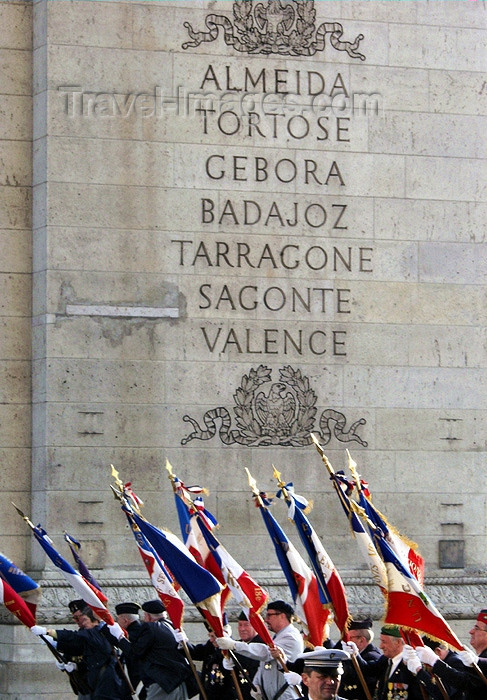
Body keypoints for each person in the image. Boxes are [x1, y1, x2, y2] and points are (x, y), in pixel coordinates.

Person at [31, 606, 127, 699]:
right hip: (97, 683)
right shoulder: (91, 634)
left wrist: (49, 632)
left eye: (85, 619)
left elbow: (74, 637)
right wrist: (56, 644)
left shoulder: (97, 632)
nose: (82, 623)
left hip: (107, 685)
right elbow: (76, 647)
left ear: (95, 620)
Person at [107, 600, 195, 700]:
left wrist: (120, 637)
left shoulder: (151, 628)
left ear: (148, 616)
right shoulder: (172, 625)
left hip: (163, 684)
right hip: (177, 681)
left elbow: (135, 653)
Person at [216, 599, 304, 700]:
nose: (266, 620)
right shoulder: (278, 636)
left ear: (282, 616)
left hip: (286, 696)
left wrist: (235, 645)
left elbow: (266, 653)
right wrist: (256, 684)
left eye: (269, 615)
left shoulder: (291, 636)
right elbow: (264, 664)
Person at [348, 625, 443, 699]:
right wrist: (355, 655)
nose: (381, 646)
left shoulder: (411, 663)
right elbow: (369, 670)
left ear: (397, 642)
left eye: (384, 642)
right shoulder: (386, 660)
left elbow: (432, 691)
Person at [338, 617, 380, 700]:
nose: (346, 641)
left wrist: (355, 656)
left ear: (361, 640)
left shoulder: (372, 656)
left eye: (349, 638)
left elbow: (366, 673)